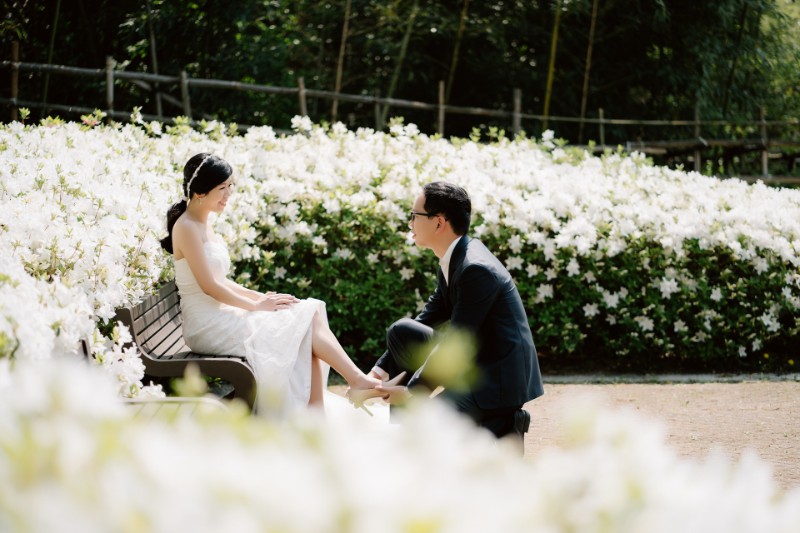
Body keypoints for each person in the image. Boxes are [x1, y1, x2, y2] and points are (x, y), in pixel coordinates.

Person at [160, 153, 381, 416]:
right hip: (206, 324)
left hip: (222, 314)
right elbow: (209, 287)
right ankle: (347, 386)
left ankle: (329, 398)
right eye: (222, 189)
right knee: (298, 322)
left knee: (304, 313)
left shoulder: (203, 222)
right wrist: (257, 305)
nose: (228, 194)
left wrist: (261, 296)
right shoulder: (186, 227)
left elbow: (222, 282)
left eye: (230, 187)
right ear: (199, 192)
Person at [369, 181, 544, 449]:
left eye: (414, 216)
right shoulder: (454, 258)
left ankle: (506, 421)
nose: (410, 223)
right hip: (477, 361)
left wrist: (412, 392)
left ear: (438, 223)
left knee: (433, 430)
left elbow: (457, 341)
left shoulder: (476, 269)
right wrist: (376, 374)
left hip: (496, 378)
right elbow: (427, 318)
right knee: (402, 331)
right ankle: (405, 432)